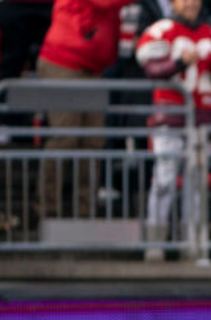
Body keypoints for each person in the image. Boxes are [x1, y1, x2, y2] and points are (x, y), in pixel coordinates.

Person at [135, 0, 211, 261]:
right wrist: (178, 63)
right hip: (171, 116)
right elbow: (150, 69)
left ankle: (194, 244)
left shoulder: (210, 34)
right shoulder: (161, 29)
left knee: (197, 183)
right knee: (164, 180)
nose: (190, 3)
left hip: (202, 119)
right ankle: (155, 244)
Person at [34, 0, 139, 220]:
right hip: (63, 61)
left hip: (93, 66)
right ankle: (47, 210)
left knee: (93, 140)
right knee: (65, 137)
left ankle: (86, 211)